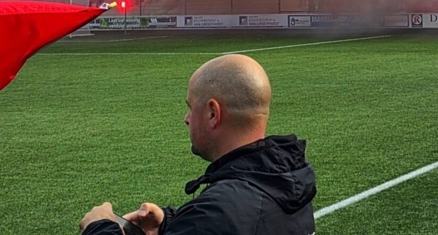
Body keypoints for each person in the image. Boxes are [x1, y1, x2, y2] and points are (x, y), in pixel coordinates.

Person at [79, 54, 316, 235]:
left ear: (213, 113)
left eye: (191, 107)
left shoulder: (218, 213)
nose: (186, 118)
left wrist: (99, 227)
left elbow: (221, 220)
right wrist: (170, 223)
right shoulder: (288, 178)